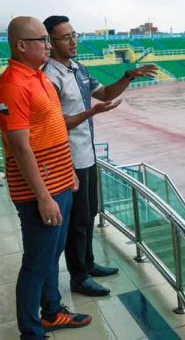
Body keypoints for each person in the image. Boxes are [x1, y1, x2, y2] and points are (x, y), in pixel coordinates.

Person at [0, 16, 91, 339]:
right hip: (39, 194)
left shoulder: (39, 78)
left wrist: (67, 175)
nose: (48, 46)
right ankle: (31, 332)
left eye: (49, 41)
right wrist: (44, 197)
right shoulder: (12, 86)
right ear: (22, 46)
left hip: (60, 182)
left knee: (51, 254)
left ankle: (52, 312)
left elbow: (53, 130)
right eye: (42, 41)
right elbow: (21, 149)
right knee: (35, 263)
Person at [43, 15, 157, 297]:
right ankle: (78, 278)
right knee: (77, 222)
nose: (73, 41)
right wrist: (91, 113)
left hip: (87, 156)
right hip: (67, 160)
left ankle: (89, 263)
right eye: (65, 37)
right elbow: (55, 123)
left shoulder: (78, 69)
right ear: (51, 42)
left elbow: (104, 93)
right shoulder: (49, 77)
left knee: (89, 214)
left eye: (74, 35)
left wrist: (128, 76)